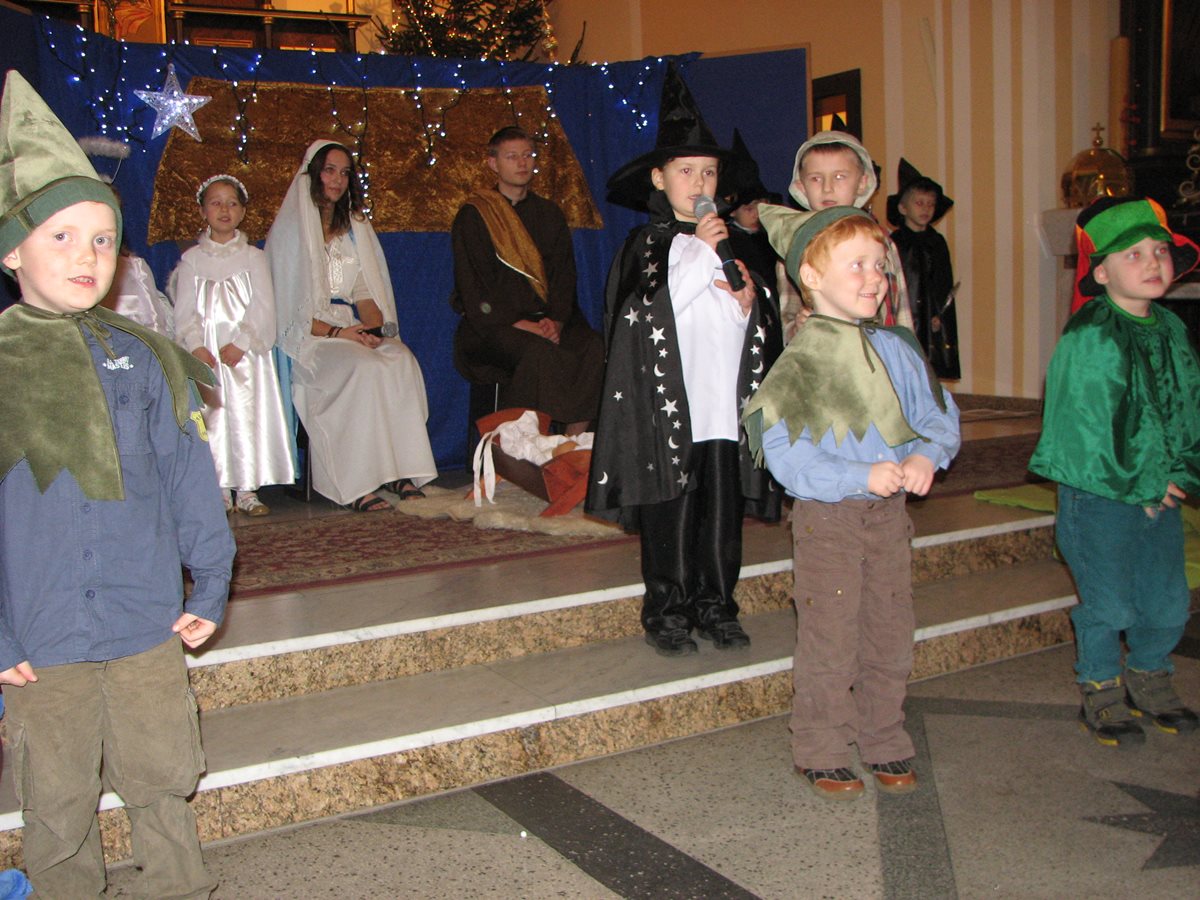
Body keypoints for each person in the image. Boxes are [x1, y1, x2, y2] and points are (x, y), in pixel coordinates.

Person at [0, 70, 234, 896]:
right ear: (12, 249)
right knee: (56, 799)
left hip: (143, 622)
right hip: (43, 637)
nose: (86, 256)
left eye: (103, 240)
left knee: (162, 778)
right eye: (62, 236)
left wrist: (211, 579)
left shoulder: (144, 357)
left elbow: (187, 476)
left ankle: (177, 887)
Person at [744, 205, 960, 800]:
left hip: (888, 519)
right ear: (812, 277)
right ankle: (820, 746)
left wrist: (926, 455)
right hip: (830, 519)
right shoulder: (801, 363)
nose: (874, 278)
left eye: (880, 266)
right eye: (857, 265)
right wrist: (858, 473)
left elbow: (937, 416)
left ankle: (883, 735)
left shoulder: (898, 349)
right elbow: (784, 453)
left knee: (890, 629)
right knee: (831, 636)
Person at [587, 65, 782, 657]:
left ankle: (716, 604)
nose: (700, 182)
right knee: (670, 512)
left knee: (720, 512)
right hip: (669, 409)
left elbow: (753, 326)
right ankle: (667, 609)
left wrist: (750, 304)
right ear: (659, 177)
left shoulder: (734, 247)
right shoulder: (647, 246)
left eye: (709, 172)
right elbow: (639, 314)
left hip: (722, 407)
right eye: (686, 171)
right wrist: (699, 251)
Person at [1029, 197, 1200, 747]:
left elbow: (1187, 406)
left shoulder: (1171, 328)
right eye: (1134, 254)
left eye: (1160, 252)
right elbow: (1087, 426)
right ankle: (1100, 686)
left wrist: (1182, 471)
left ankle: (1149, 674)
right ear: (1101, 272)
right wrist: (1146, 481)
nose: (1153, 263)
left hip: (1160, 493)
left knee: (1167, 600)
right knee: (1110, 603)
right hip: (1100, 495)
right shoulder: (1092, 335)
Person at [266, 140, 437, 511]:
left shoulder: (354, 228)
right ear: (313, 174)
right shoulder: (291, 230)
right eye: (330, 170)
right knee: (362, 369)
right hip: (310, 340)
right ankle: (356, 483)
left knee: (399, 360)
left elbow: (365, 291)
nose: (337, 180)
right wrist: (339, 334)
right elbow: (287, 311)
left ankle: (399, 472)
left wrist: (371, 331)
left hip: (350, 329)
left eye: (344, 173)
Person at [450, 126, 604, 434]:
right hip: (493, 325)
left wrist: (556, 321)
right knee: (538, 353)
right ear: (493, 163)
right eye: (512, 156)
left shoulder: (549, 213)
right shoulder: (476, 215)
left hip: (546, 320)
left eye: (527, 155)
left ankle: (572, 444)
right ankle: (522, 446)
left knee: (593, 347)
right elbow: (474, 286)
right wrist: (523, 325)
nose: (522, 163)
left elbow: (564, 276)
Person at [171, 174, 295, 516]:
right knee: (214, 416)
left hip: (245, 355)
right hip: (208, 353)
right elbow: (185, 310)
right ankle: (220, 487)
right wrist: (195, 345)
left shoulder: (254, 257)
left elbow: (263, 305)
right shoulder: (192, 260)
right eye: (216, 203)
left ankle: (248, 489)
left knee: (247, 414)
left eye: (232, 203)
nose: (224, 210)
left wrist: (242, 342)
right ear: (203, 211)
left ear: (242, 212)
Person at [779, 130, 913, 338]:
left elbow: (901, 309)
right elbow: (787, 316)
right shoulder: (795, 245)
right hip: (827, 351)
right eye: (816, 178)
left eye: (840, 176)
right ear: (801, 186)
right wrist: (797, 327)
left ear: (861, 183)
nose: (828, 188)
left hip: (879, 347)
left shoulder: (880, 240)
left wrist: (907, 349)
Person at [888, 158, 960, 379]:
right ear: (903, 208)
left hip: (931, 314)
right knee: (904, 362)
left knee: (929, 365)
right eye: (919, 203)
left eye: (930, 204)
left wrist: (941, 314)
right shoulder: (895, 242)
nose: (926, 209)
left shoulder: (936, 243)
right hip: (904, 311)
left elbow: (944, 281)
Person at [722, 128, 779, 313]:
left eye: (762, 207)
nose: (756, 214)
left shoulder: (772, 238)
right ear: (733, 212)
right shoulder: (729, 242)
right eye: (749, 209)